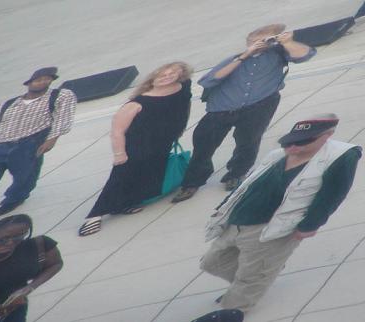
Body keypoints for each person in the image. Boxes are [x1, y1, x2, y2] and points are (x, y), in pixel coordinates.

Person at [200, 113, 361, 313]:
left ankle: (234, 308)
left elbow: (333, 194)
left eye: (303, 142)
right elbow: (247, 184)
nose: (292, 147)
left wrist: (310, 225)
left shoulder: (341, 156)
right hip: (237, 220)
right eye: (289, 142)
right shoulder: (277, 155)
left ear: (327, 135)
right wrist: (223, 208)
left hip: (271, 227)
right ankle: (260, 277)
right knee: (212, 263)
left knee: (251, 275)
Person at [172, 24, 317, 203]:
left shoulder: (279, 54)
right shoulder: (236, 59)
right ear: (248, 42)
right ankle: (192, 183)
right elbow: (208, 80)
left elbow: (306, 55)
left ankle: (236, 174)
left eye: (265, 40)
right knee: (203, 147)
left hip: (258, 107)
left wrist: (287, 42)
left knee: (248, 143)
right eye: (254, 41)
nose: (260, 44)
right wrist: (245, 55)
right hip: (220, 109)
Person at [79, 62, 193, 236]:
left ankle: (126, 204)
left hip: (161, 143)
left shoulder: (182, 87)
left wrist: (179, 128)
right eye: (162, 75)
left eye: (173, 74)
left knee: (148, 173)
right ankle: (95, 216)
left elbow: (185, 104)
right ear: (153, 79)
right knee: (120, 177)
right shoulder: (137, 103)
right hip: (137, 146)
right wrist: (119, 153)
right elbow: (117, 131)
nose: (167, 77)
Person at [0, 67, 77, 229]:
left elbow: (63, 118)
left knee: (24, 178)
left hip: (28, 143)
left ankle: (15, 198)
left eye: (47, 79)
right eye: (38, 79)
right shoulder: (10, 103)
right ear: (29, 83)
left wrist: (52, 139)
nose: (43, 82)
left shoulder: (60, 95)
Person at [0, 214, 63, 322]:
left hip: (14, 312)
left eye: (18, 238)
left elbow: (55, 264)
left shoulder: (38, 245)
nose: (10, 243)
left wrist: (29, 287)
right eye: (3, 239)